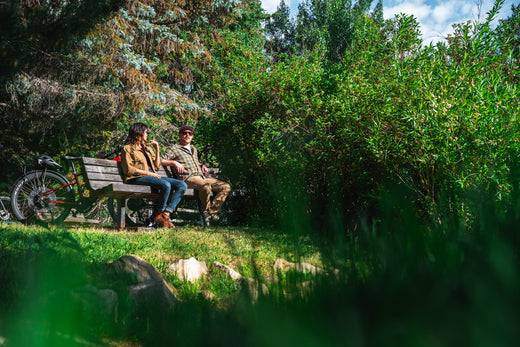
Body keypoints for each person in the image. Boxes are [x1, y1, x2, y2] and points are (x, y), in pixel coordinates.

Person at [121, 122, 187, 228]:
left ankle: (165, 214)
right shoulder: (127, 148)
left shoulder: (147, 148)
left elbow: (156, 167)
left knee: (182, 185)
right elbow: (128, 170)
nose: (147, 134)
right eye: (146, 132)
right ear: (139, 133)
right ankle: (160, 213)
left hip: (151, 175)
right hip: (136, 178)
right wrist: (148, 173)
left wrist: (157, 150)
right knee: (165, 185)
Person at [161, 125, 231, 226]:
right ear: (180, 135)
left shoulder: (193, 149)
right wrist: (174, 163)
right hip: (187, 179)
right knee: (206, 187)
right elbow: (161, 160)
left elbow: (191, 161)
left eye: (190, 133)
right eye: (184, 133)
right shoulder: (174, 148)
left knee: (225, 187)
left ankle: (212, 212)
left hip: (201, 177)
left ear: (192, 136)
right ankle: (205, 212)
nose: (187, 135)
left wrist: (201, 165)